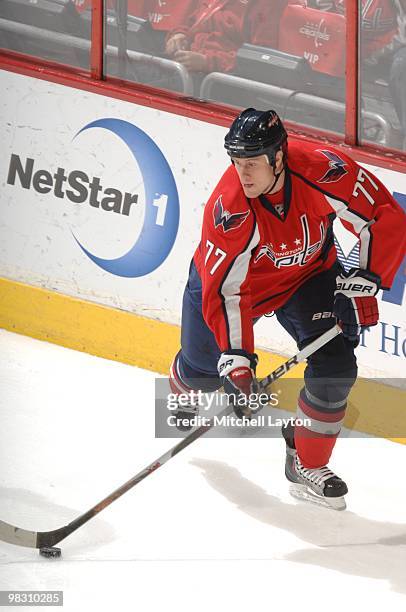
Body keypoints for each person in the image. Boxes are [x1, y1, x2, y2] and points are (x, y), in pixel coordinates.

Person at [169, 107, 406, 510]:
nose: (243, 175)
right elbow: (226, 294)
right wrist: (238, 365)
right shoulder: (229, 210)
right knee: (203, 373)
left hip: (307, 278)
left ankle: (306, 462)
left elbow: (384, 218)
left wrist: (361, 285)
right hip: (231, 291)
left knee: (336, 369)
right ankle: (184, 390)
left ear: (279, 156)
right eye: (237, 163)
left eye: (253, 163)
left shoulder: (324, 172)